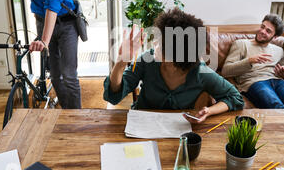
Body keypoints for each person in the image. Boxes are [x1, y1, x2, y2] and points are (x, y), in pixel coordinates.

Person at [103, 7, 244, 123]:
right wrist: (121, 62)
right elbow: (113, 95)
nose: (154, 44)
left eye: (160, 43)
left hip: (177, 131)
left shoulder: (200, 72)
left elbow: (234, 98)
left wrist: (209, 111)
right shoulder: (147, 60)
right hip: (142, 124)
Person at [221, 14, 284, 109]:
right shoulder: (241, 44)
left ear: (274, 37)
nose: (262, 31)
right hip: (254, 82)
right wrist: (249, 61)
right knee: (276, 105)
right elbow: (225, 71)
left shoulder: (279, 50)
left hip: (277, 81)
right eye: (262, 27)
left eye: (268, 31)